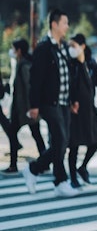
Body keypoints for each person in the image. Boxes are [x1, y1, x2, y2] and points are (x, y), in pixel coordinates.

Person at [22, 8, 80, 198]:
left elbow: (68, 75)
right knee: (61, 140)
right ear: (54, 24)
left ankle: (35, 170)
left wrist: (73, 99)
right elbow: (36, 78)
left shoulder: (62, 46)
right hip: (50, 102)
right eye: (64, 23)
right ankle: (59, 180)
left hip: (64, 102)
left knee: (62, 142)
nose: (67, 26)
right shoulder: (44, 48)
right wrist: (34, 105)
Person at [2, 39, 46, 174]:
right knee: (33, 134)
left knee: (23, 133)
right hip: (20, 109)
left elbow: (29, 88)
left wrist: (33, 107)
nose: (12, 51)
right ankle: (44, 163)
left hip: (25, 109)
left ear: (19, 51)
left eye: (13, 49)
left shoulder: (25, 66)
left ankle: (14, 165)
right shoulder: (19, 63)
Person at [67, 34, 97, 188]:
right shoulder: (69, 63)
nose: (71, 49)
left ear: (82, 47)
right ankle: (73, 176)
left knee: (95, 141)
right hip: (74, 109)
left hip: (89, 107)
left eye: (74, 46)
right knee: (74, 145)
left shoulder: (90, 63)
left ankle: (82, 167)